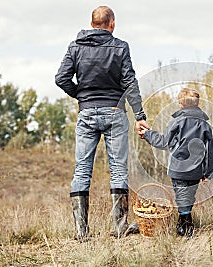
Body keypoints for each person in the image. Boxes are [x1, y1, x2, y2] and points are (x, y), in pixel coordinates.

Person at [55, 6, 149, 239]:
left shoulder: (75, 47)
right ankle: (120, 227)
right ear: (112, 23)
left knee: (82, 170)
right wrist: (140, 116)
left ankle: (81, 231)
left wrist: (81, 96)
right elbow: (130, 83)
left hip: (86, 114)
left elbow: (61, 78)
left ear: (91, 22)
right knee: (118, 169)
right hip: (115, 113)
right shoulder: (120, 47)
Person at [139, 88, 213, 238]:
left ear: (180, 104)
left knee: (182, 197)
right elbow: (210, 151)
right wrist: (207, 172)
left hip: (178, 168)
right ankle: (183, 225)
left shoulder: (177, 122)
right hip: (196, 169)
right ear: (197, 104)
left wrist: (147, 134)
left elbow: (162, 142)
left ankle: (187, 227)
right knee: (188, 197)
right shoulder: (205, 125)